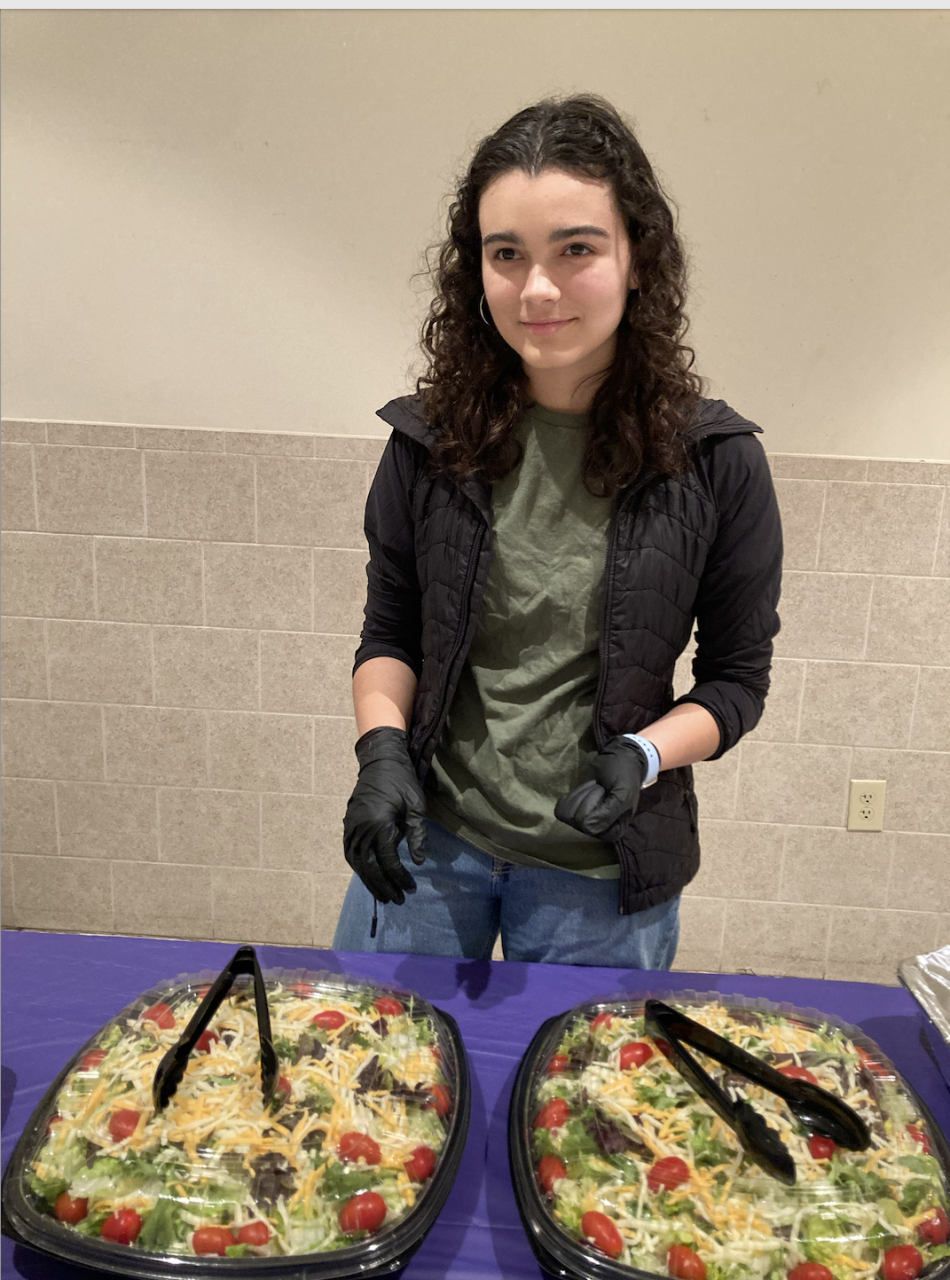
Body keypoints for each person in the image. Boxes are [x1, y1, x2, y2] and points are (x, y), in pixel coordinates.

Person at [332, 94, 782, 968]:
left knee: (584, 1066)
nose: (537, 289)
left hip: (600, 875)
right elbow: (391, 634)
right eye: (507, 254)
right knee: (373, 1054)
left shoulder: (715, 461)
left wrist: (644, 755)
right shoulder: (428, 442)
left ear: (637, 258)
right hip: (430, 848)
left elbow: (737, 681)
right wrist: (381, 751)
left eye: (576, 249)